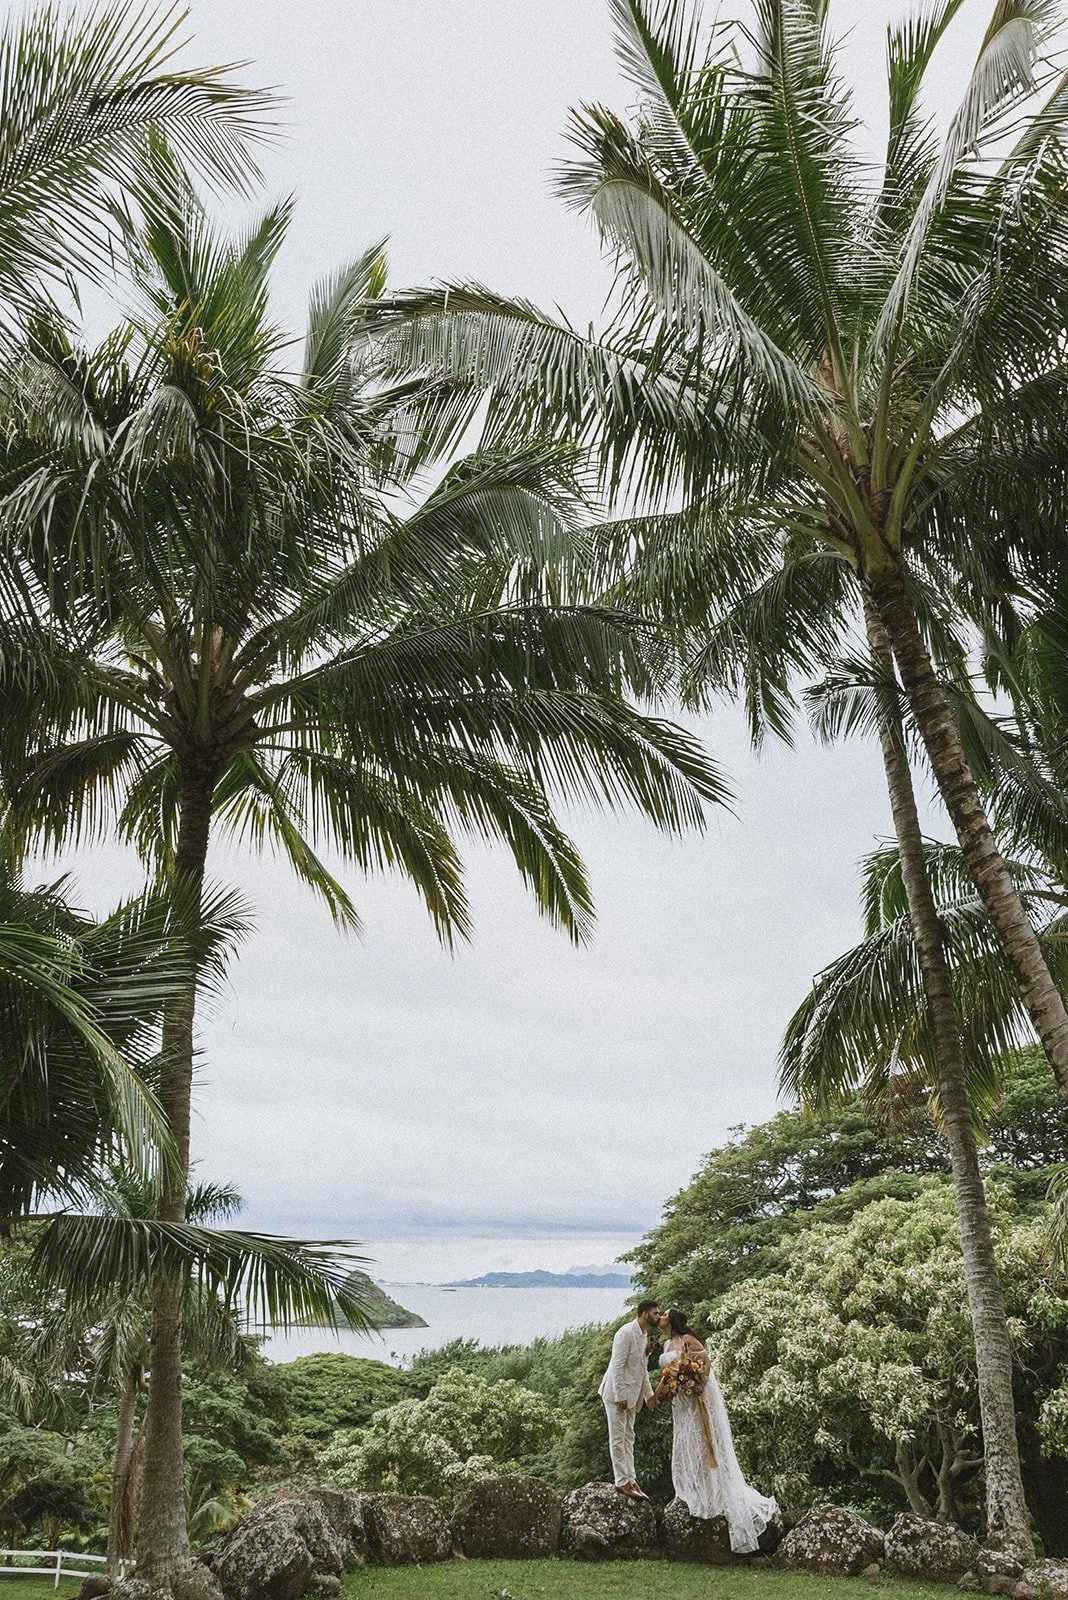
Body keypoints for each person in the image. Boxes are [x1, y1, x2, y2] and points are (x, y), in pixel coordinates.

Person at [652, 1307, 778, 1552]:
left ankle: (715, 1491)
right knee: (687, 1443)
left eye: (665, 1315)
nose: (662, 1318)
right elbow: (668, 1375)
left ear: (673, 1320)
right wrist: (656, 1396)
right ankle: (693, 1488)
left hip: (695, 1399)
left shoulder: (688, 1340)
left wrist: (694, 1384)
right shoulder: (667, 1345)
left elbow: (705, 1366)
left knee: (702, 1442)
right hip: (680, 1404)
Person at [598, 1298, 660, 1498]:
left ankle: (631, 1479)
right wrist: (620, 1396)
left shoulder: (644, 1335)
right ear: (644, 1314)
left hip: (633, 1395)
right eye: (655, 1313)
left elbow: (641, 1369)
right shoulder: (625, 1333)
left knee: (628, 1438)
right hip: (616, 1394)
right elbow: (616, 1366)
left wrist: (649, 1395)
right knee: (617, 1438)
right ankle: (621, 1481)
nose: (658, 1316)